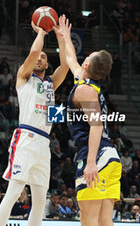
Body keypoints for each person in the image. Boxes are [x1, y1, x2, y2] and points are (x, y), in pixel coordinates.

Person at [0, 15, 69, 226]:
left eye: (44, 58)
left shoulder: (50, 84)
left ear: (47, 64)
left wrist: (62, 38)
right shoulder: (23, 77)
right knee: (13, 192)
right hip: (26, 138)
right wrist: (41, 33)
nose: (39, 59)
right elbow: (34, 51)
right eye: (38, 57)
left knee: (39, 198)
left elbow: (64, 66)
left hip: (43, 143)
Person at [59, 17, 122, 226]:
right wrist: (65, 36)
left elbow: (96, 125)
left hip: (96, 155)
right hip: (109, 155)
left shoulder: (85, 90)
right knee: (104, 220)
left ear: (87, 64)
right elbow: (70, 59)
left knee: (88, 219)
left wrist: (91, 162)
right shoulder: (87, 84)